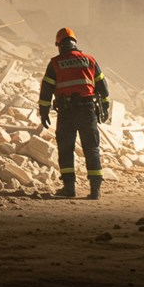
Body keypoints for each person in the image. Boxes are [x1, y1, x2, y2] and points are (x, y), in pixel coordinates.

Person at [38, 27, 109, 199]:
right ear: (74, 43)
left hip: (67, 112)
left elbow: (46, 89)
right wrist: (105, 107)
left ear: (60, 45)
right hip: (88, 111)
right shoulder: (89, 60)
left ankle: (69, 188)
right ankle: (95, 190)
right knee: (92, 148)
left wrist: (44, 111)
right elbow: (102, 86)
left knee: (66, 148)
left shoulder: (55, 63)